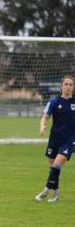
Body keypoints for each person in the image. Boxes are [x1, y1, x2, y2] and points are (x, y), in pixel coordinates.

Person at [35, 75, 75, 203]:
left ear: (73, 87)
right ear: (61, 86)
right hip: (55, 138)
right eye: (66, 84)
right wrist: (42, 126)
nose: (68, 87)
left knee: (57, 165)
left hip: (70, 140)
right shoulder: (54, 102)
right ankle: (56, 194)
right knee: (53, 168)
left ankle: (46, 190)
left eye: (70, 84)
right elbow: (45, 117)